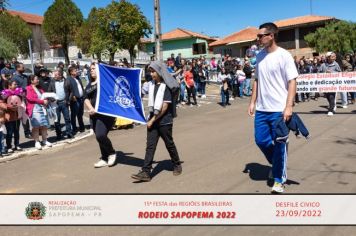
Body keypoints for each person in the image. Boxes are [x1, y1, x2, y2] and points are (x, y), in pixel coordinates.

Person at [248, 22, 298, 193]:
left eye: (261, 36)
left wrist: (289, 106)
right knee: (260, 140)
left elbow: (292, 81)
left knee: (280, 144)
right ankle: (277, 162)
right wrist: (252, 102)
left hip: (279, 109)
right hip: (262, 109)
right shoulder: (260, 56)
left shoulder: (284, 56)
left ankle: (279, 179)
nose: (258, 39)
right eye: (258, 36)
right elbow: (256, 80)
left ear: (271, 36)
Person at [131, 61, 182, 182]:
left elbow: (164, 107)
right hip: (153, 120)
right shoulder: (150, 84)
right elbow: (140, 94)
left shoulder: (166, 86)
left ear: (159, 72)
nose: (151, 73)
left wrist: (152, 120)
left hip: (164, 121)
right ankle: (146, 172)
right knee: (150, 147)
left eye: (153, 71)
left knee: (169, 144)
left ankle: (177, 164)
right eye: (150, 71)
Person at [84, 63, 117, 168]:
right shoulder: (90, 84)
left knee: (100, 135)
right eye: (90, 69)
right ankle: (104, 158)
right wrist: (90, 108)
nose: (91, 71)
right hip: (93, 114)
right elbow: (85, 97)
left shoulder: (105, 82)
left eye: (94, 69)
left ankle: (111, 153)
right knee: (99, 137)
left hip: (105, 115)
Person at [26, 75, 52, 150]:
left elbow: (44, 95)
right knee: (36, 126)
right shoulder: (28, 88)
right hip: (34, 109)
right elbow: (30, 98)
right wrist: (42, 101)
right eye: (36, 79)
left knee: (44, 125)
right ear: (31, 80)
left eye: (38, 79)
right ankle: (37, 141)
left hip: (42, 108)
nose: (38, 80)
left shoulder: (40, 88)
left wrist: (46, 100)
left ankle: (45, 140)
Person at [48, 69, 73, 140]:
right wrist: (52, 99)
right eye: (54, 75)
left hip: (64, 103)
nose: (54, 76)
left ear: (60, 75)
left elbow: (71, 91)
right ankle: (59, 135)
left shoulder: (66, 81)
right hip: (56, 104)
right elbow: (49, 92)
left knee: (67, 119)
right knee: (57, 120)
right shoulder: (52, 82)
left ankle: (69, 133)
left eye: (56, 75)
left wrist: (68, 100)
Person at [2, 80, 25, 153]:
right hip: (9, 116)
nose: (16, 85)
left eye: (16, 84)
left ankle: (17, 145)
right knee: (9, 132)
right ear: (9, 85)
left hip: (17, 115)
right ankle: (9, 146)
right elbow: (1, 103)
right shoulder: (4, 93)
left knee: (16, 131)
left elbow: (21, 100)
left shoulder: (18, 93)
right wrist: (9, 107)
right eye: (14, 84)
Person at [12, 63, 31, 139]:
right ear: (17, 68)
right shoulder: (14, 78)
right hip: (18, 100)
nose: (24, 68)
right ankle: (17, 137)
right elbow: (14, 89)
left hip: (26, 99)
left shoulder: (26, 77)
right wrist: (23, 90)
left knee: (25, 116)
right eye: (22, 67)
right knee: (18, 118)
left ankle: (27, 133)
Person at [66, 66, 85, 134]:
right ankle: (74, 128)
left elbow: (81, 87)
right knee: (74, 114)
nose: (76, 71)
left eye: (76, 70)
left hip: (81, 98)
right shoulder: (69, 79)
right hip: (74, 99)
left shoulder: (78, 78)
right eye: (75, 71)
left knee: (80, 113)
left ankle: (82, 127)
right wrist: (72, 96)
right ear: (71, 72)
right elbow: (67, 89)